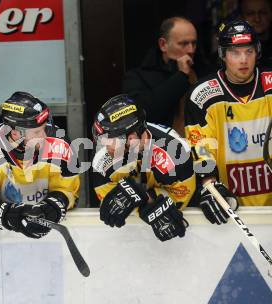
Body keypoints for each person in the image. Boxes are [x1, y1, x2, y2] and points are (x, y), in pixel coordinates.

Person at [0, 91, 80, 238]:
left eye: (44, 128)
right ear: (15, 134)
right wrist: (3, 213)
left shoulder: (59, 143)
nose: (45, 136)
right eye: (36, 132)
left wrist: (52, 207)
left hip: (48, 233)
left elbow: (70, 191)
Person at [185, 19, 272, 225]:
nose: (243, 60)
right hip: (230, 208)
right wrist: (209, 186)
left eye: (248, 51)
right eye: (235, 53)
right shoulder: (203, 95)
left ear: (257, 52)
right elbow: (201, 148)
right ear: (223, 55)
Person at [91, 94, 195, 242]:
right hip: (128, 239)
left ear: (132, 138)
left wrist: (145, 196)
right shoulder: (103, 157)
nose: (104, 146)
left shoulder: (176, 151)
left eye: (110, 139)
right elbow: (109, 203)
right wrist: (144, 199)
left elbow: (183, 196)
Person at [123, 16, 204, 136]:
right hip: (162, 149)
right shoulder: (137, 77)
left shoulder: (204, 71)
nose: (191, 50)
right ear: (163, 45)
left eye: (194, 43)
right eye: (183, 44)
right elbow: (144, 113)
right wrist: (181, 76)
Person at [239, 0, 272, 67]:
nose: (257, 19)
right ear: (241, 17)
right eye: (250, 13)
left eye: (263, 13)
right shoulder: (231, 50)